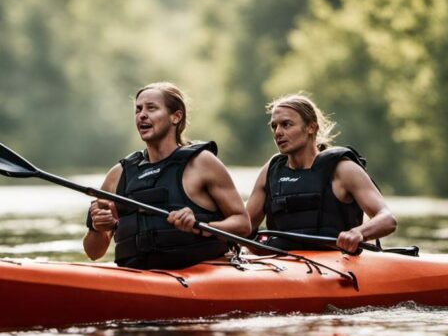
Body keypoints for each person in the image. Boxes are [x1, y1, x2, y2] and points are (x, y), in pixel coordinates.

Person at [83, 81, 251, 269]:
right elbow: (93, 253)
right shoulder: (117, 175)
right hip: (136, 277)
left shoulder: (202, 163)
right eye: (138, 110)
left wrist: (202, 226)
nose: (142, 115)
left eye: (152, 108)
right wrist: (99, 229)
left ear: (176, 117)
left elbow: (243, 225)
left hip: (199, 275)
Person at [246, 93, 397, 254]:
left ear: (311, 127)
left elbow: (388, 219)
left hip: (335, 263)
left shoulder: (343, 169)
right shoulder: (271, 171)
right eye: (274, 126)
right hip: (281, 263)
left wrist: (359, 232)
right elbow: (243, 224)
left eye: (286, 124)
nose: (278, 132)